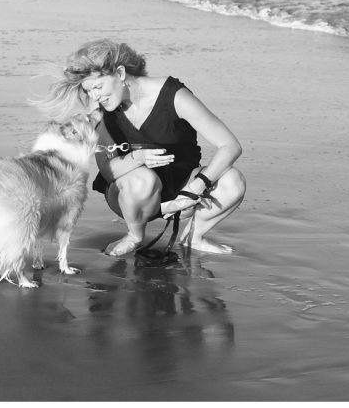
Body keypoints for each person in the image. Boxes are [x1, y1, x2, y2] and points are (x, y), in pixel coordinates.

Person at [38, 39, 246, 256]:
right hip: (131, 197)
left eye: (98, 87)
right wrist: (138, 158)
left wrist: (196, 187)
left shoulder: (175, 96)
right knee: (142, 179)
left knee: (233, 181)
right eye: (88, 91)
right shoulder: (100, 110)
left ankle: (194, 236)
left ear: (120, 73)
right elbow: (107, 170)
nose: (94, 96)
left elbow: (230, 146)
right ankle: (135, 235)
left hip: (183, 192)